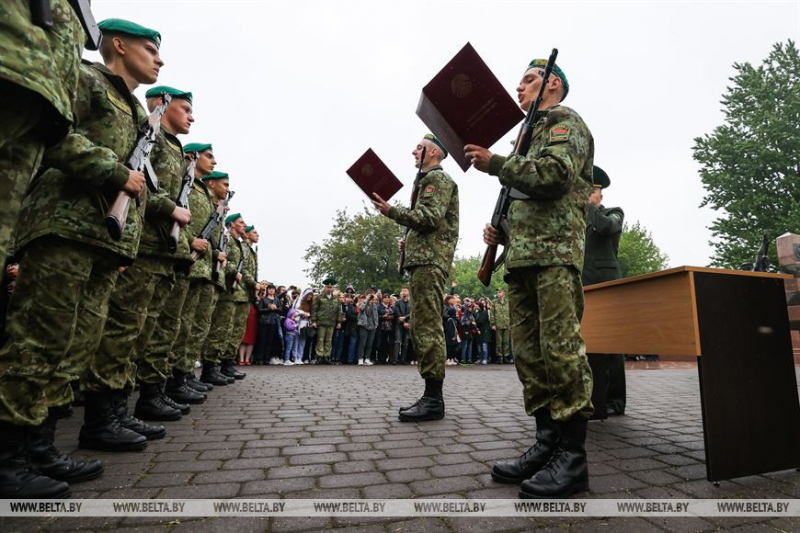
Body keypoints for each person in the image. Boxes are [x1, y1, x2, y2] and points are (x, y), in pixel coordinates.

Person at [0, 18, 161, 498]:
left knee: (74, 346)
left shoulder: (133, 109)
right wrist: (112, 171)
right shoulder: (86, 78)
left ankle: (40, 446)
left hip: (102, 239)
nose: (159, 58)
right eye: (150, 48)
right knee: (37, 342)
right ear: (118, 44)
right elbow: (53, 130)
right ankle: (8, 455)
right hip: (63, 224)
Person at [468, 57, 594, 498]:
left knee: (560, 351)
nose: (519, 87)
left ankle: (573, 459)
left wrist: (495, 163)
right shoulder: (528, 136)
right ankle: (546, 444)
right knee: (529, 355)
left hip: (555, 255)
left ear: (553, 84)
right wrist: (501, 234)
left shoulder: (564, 122)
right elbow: (527, 200)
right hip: (522, 259)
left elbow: (557, 177)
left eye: (529, 80)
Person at [92, 85, 196, 428]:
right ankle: (104, 415)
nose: (191, 116)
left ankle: (128, 405)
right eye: (184, 108)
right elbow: (138, 188)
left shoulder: (173, 150)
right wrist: (170, 208)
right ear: (160, 106)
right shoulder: (147, 137)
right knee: (124, 331)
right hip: (144, 248)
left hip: (160, 253)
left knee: (149, 330)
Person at [372, 133, 459, 422]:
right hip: (424, 260)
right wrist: (408, 242)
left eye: (419, 148)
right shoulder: (428, 180)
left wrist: (391, 211)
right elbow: (428, 223)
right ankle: (431, 396)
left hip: (429, 262)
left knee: (427, 325)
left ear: (432, 152)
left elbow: (429, 218)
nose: (413, 151)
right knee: (422, 325)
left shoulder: (437, 179)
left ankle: (434, 399)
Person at [583, 166, 625, 415]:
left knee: (611, 346)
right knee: (588, 345)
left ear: (600, 194)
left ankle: (615, 401)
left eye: (593, 190)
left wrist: (589, 206)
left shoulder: (613, 213)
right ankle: (591, 398)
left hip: (605, 284)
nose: (588, 194)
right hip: (582, 285)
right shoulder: (580, 218)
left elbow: (606, 227)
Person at [311, 278, 342, 364]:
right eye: (328, 287)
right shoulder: (319, 297)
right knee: (320, 340)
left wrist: (339, 322)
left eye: (331, 287)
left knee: (329, 340)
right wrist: (314, 321)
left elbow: (339, 311)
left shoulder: (336, 298)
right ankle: (319, 356)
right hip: (321, 322)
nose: (329, 289)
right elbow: (314, 310)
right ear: (325, 287)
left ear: (333, 288)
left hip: (331, 322)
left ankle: (327, 356)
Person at [491, 288, 511, 363]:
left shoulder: (508, 302)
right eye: (497, 292)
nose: (498, 294)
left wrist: (511, 323)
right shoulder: (494, 302)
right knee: (499, 341)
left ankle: (506, 356)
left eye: (500, 292)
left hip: (506, 324)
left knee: (506, 341)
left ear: (504, 293)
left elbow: (511, 313)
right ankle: (499, 357)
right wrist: (493, 324)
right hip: (498, 324)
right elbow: (492, 314)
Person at [393, 287, 411, 364]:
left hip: (408, 324)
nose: (403, 292)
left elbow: (412, 313)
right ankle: (395, 359)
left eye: (405, 291)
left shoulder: (411, 303)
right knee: (397, 341)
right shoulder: (398, 302)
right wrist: (403, 321)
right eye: (402, 291)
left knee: (406, 342)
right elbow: (397, 312)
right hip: (399, 324)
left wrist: (406, 320)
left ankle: (403, 359)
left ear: (408, 293)